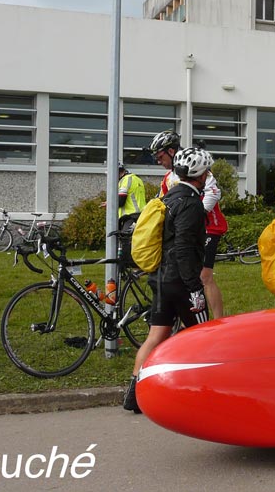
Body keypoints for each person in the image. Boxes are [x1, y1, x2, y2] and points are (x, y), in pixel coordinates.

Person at [122, 147, 214, 413]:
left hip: (161, 278)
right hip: (181, 282)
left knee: (156, 335)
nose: (208, 175)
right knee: (203, 337)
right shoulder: (192, 204)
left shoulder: (169, 196)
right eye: (206, 171)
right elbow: (184, 248)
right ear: (200, 175)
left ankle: (134, 394)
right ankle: (202, 393)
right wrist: (194, 287)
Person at [196, 141, 228, 318]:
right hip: (194, 228)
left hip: (211, 227)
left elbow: (215, 193)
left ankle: (218, 320)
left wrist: (197, 214)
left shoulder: (206, 176)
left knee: (204, 276)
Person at [148, 129, 182, 195]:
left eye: (160, 157)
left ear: (171, 151)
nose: (159, 162)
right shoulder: (168, 177)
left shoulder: (193, 173)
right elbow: (160, 200)